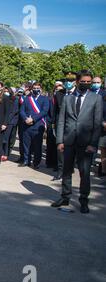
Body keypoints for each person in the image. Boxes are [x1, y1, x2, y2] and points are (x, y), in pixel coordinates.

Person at [52, 70, 103, 214]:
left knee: (84, 173)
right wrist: (60, 140)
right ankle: (65, 197)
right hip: (68, 141)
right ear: (77, 81)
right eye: (83, 81)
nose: (86, 84)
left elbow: (97, 123)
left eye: (89, 82)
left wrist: (93, 144)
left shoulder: (96, 99)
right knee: (66, 171)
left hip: (86, 143)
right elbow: (61, 120)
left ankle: (83, 200)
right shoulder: (68, 98)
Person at [20, 83, 49, 169]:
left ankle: (36, 162)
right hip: (26, 125)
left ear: (41, 89)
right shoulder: (27, 99)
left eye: (38, 88)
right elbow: (22, 110)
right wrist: (25, 119)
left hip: (38, 125)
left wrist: (33, 119)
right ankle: (26, 160)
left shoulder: (44, 99)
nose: (36, 89)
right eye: (35, 88)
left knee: (37, 146)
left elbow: (44, 111)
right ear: (32, 89)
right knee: (26, 144)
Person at [91, 76, 106, 179]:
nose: (96, 84)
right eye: (94, 82)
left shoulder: (104, 94)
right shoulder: (89, 93)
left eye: (98, 82)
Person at [2, 87, 18, 161]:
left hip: (10, 122)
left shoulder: (15, 99)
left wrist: (6, 122)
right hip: (2, 122)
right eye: (4, 91)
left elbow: (13, 112)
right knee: (2, 138)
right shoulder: (2, 99)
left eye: (7, 91)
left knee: (6, 138)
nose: (5, 92)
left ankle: (5, 154)